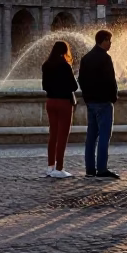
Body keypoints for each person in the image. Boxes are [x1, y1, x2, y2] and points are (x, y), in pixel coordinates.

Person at [79, 29, 119, 179]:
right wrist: (113, 96)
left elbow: (81, 80)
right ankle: (102, 168)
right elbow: (110, 80)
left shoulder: (86, 58)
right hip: (103, 102)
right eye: (109, 41)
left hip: (90, 102)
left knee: (91, 136)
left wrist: (87, 96)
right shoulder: (105, 58)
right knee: (104, 135)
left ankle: (90, 168)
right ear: (104, 40)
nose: (111, 44)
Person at [42, 39, 78, 177]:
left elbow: (44, 86)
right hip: (64, 102)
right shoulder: (65, 66)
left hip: (50, 102)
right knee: (62, 135)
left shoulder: (46, 65)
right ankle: (59, 168)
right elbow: (74, 87)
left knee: (53, 135)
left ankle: (50, 166)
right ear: (64, 51)